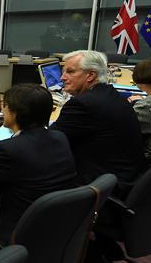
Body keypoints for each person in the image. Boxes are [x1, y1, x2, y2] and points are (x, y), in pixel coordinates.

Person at [0, 84, 77, 243]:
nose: (2, 109)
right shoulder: (59, 138)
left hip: (15, 231)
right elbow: (30, 159)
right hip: (55, 225)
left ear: (15, 113)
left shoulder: (8, 149)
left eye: (5, 105)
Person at [50, 50, 145, 186]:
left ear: (91, 75)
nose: (62, 78)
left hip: (101, 186)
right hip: (125, 177)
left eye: (70, 72)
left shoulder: (83, 104)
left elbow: (49, 142)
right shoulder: (111, 94)